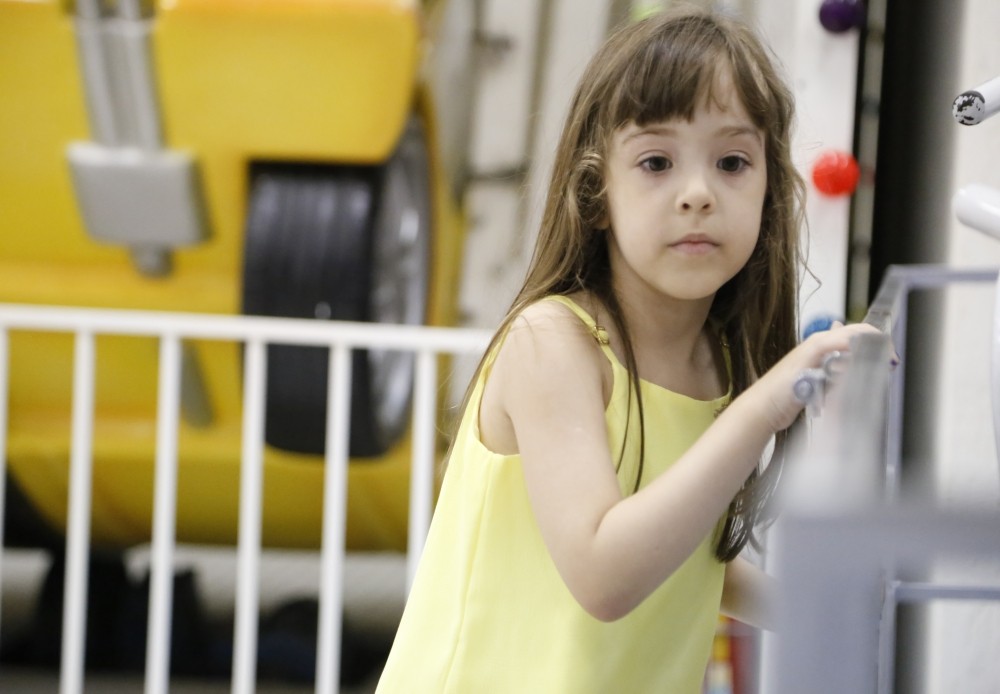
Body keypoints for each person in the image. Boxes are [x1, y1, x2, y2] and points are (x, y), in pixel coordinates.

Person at [376, 7, 878, 692]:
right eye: (655, 162)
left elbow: (685, 555)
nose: (697, 193)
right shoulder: (552, 345)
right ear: (598, 191)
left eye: (733, 161)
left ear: (768, 191)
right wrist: (765, 406)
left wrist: (833, 613)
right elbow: (605, 574)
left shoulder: (715, 361)